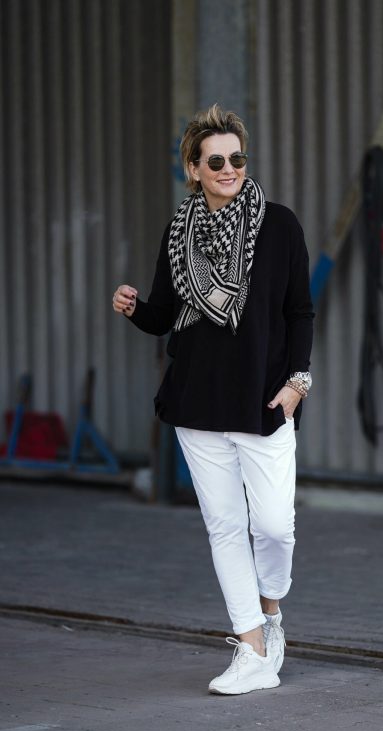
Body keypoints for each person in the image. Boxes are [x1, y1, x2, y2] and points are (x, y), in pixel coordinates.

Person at [112, 104, 314, 695]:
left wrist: (297, 384)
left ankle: (271, 614)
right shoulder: (179, 232)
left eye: (237, 158)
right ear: (194, 170)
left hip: (264, 400)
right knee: (226, 528)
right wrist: (134, 308)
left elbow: (300, 311)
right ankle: (250, 649)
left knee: (274, 527)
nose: (229, 168)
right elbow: (163, 315)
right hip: (197, 400)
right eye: (216, 160)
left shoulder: (279, 225)